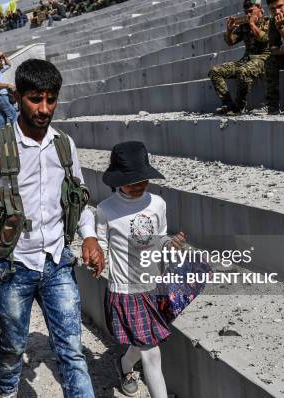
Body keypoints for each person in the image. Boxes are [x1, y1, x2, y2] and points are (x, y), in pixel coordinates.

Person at [0, 58, 105, 398]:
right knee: (12, 350)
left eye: (50, 99)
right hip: (13, 268)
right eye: (35, 99)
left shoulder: (64, 144)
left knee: (72, 351)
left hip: (57, 261)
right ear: (18, 99)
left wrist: (89, 236)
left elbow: (78, 198)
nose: (44, 109)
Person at [97, 141, 187, 398]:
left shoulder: (158, 203)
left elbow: (160, 238)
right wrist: (96, 256)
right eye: (132, 181)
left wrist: (172, 244)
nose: (139, 185)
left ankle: (125, 365)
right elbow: (101, 244)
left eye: (143, 180)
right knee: (152, 351)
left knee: (144, 341)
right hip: (126, 290)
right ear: (117, 179)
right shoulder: (106, 210)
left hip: (154, 286)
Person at [208, 0, 270, 114]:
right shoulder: (244, 25)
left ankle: (239, 106)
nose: (248, 14)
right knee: (215, 71)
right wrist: (229, 30)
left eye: (251, 11)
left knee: (243, 71)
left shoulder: (268, 22)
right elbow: (230, 42)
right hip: (246, 60)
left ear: (259, 8)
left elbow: (264, 39)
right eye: (246, 12)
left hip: (263, 58)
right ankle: (228, 104)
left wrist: (252, 24)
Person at [0, 52, 18, 128]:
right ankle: (18, 136)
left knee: (2, 119)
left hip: (0, 97)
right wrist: (8, 85)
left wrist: (4, 56)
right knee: (13, 115)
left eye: (1, 58)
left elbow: (8, 65)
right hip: (2, 97)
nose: (1, 59)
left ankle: (1, 138)